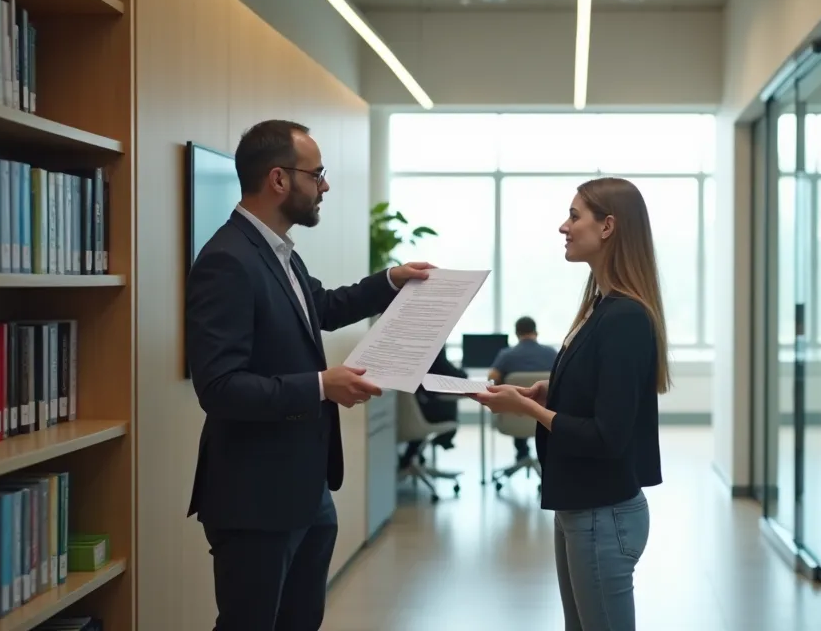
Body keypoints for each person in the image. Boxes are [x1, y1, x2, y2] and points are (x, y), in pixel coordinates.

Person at [184, 119, 432, 630]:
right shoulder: (227, 261)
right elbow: (219, 388)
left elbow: (320, 306)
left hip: (306, 488)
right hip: (254, 498)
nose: (325, 186)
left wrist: (390, 281)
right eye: (316, 174)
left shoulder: (277, 253)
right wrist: (322, 385)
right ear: (279, 180)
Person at [471, 177, 666, 629]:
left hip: (603, 511)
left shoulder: (625, 317)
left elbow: (607, 435)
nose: (564, 226)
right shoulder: (602, 307)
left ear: (608, 227)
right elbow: (597, 389)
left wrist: (530, 411)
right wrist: (546, 391)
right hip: (580, 504)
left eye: (575, 216)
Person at [488, 316, 560, 461]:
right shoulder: (551, 353)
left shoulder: (507, 354)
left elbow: (492, 378)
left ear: (516, 333)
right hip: (548, 418)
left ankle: (522, 453)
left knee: (516, 402)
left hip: (514, 418)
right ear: (536, 332)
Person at [398, 346, 467, 470]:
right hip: (420, 413)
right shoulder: (432, 346)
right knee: (449, 404)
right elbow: (452, 373)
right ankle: (444, 440)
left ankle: (408, 458)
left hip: (400, 413)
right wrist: (463, 373)